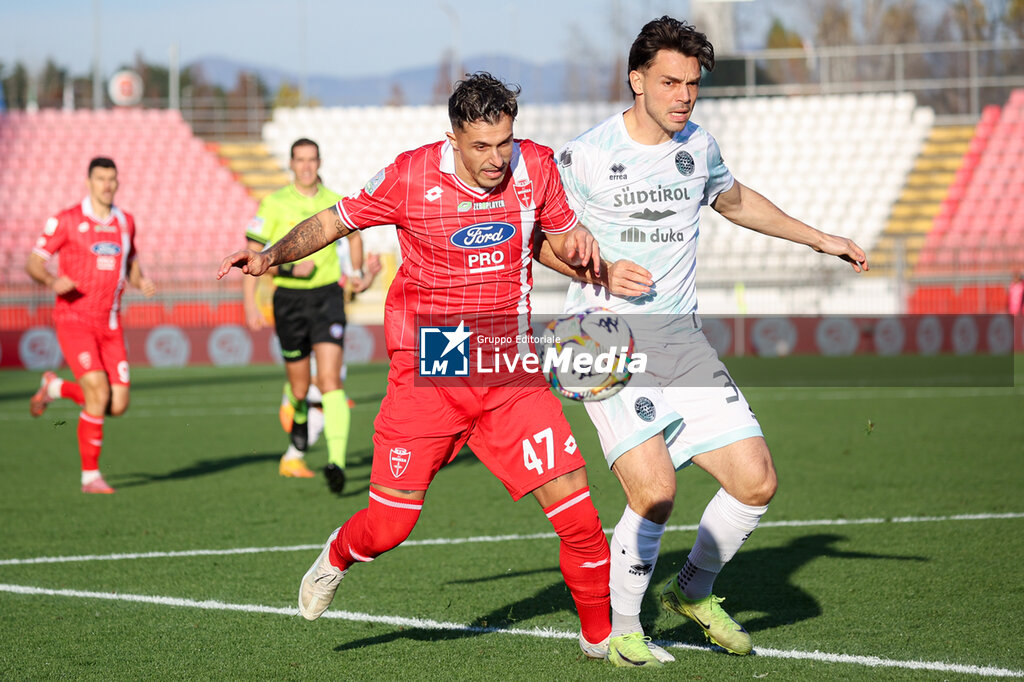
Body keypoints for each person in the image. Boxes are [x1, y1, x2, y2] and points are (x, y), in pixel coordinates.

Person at [218, 73, 658, 664]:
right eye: (481, 146)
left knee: (578, 512)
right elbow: (334, 220)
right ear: (452, 137)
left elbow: (550, 239)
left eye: (505, 142)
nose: (496, 159)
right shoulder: (410, 175)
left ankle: (601, 642)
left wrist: (592, 259)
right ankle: (340, 555)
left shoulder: (538, 167)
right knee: (389, 528)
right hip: (433, 367)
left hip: (509, 369)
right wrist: (269, 256)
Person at [537, 17, 868, 666]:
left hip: (679, 340)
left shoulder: (700, 147)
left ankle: (694, 590)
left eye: (693, 83)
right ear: (636, 80)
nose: (684, 95)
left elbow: (737, 201)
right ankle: (625, 632)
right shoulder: (584, 155)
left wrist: (820, 238)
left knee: (756, 480)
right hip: (598, 340)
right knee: (655, 490)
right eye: (670, 81)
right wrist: (596, 268)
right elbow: (541, 243)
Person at [243, 138, 377, 494]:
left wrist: (359, 270)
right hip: (288, 302)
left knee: (331, 380)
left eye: (311, 160)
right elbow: (253, 256)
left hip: (327, 298)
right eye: (299, 160)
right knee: (300, 387)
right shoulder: (273, 204)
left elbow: (354, 236)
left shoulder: (333, 200)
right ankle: (298, 415)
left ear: (319, 162)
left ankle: (336, 462)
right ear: (291, 164)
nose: (305, 166)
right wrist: (253, 301)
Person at [27, 156, 156, 494]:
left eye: (112, 178)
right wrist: (52, 281)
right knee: (97, 392)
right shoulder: (66, 221)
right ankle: (90, 477)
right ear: (88, 181)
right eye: (100, 178)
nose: (107, 185)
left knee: (117, 404)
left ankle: (55, 388)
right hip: (74, 320)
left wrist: (141, 281)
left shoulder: (125, 221)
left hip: (110, 323)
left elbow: (131, 260)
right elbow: (34, 262)